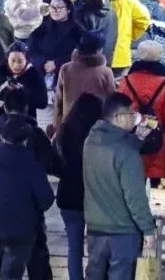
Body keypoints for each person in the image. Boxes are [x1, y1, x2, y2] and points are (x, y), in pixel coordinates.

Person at [82, 94, 157, 280]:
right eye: (132, 114)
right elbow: (135, 197)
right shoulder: (127, 153)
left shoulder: (90, 142)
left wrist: (137, 140)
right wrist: (148, 230)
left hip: (94, 230)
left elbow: (115, 148)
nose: (134, 118)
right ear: (120, 117)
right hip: (122, 234)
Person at [0, 116, 56, 280]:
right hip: (21, 232)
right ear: (25, 141)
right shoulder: (33, 166)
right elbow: (46, 200)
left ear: (2, 137)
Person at [54, 93, 104, 280]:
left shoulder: (64, 133)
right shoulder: (99, 136)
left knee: (74, 249)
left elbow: (55, 164)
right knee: (96, 249)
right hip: (95, 199)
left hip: (69, 197)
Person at [116, 40, 165, 183]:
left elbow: (119, 117)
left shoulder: (126, 82)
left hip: (131, 143)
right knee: (155, 187)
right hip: (157, 145)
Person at [96, 0, 152, 76]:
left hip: (99, 56)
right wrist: (128, 35)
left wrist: (130, 35)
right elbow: (144, 18)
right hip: (120, 56)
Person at [52, 33, 115, 130]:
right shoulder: (105, 72)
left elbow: (59, 100)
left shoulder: (66, 68)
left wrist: (57, 125)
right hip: (94, 126)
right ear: (99, 50)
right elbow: (111, 102)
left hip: (69, 123)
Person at [30, 0, 84, 88]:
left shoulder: (77, 30)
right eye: (52, 7)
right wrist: (42, 63)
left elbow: (80, 54)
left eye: (59, 7)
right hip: (41, 74)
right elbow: (32, 48)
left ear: (68, 9)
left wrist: (56, 63)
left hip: (66, 77)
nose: (54, 10)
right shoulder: (44, 26)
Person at [0, 41, 47, 119]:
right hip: (1, 119)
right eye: (13, 60)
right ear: (7, 58)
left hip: (26, 120)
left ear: (27, 60)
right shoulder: (1, 71)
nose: (16, 65)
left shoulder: (35, 74)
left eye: (20, 61)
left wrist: (24, 91)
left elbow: (43, 103)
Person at [75, 0, 118, 68]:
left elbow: (81, 41)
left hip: (87, 65)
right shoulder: (111, 9)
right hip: (106, 62)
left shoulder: (82, 12)